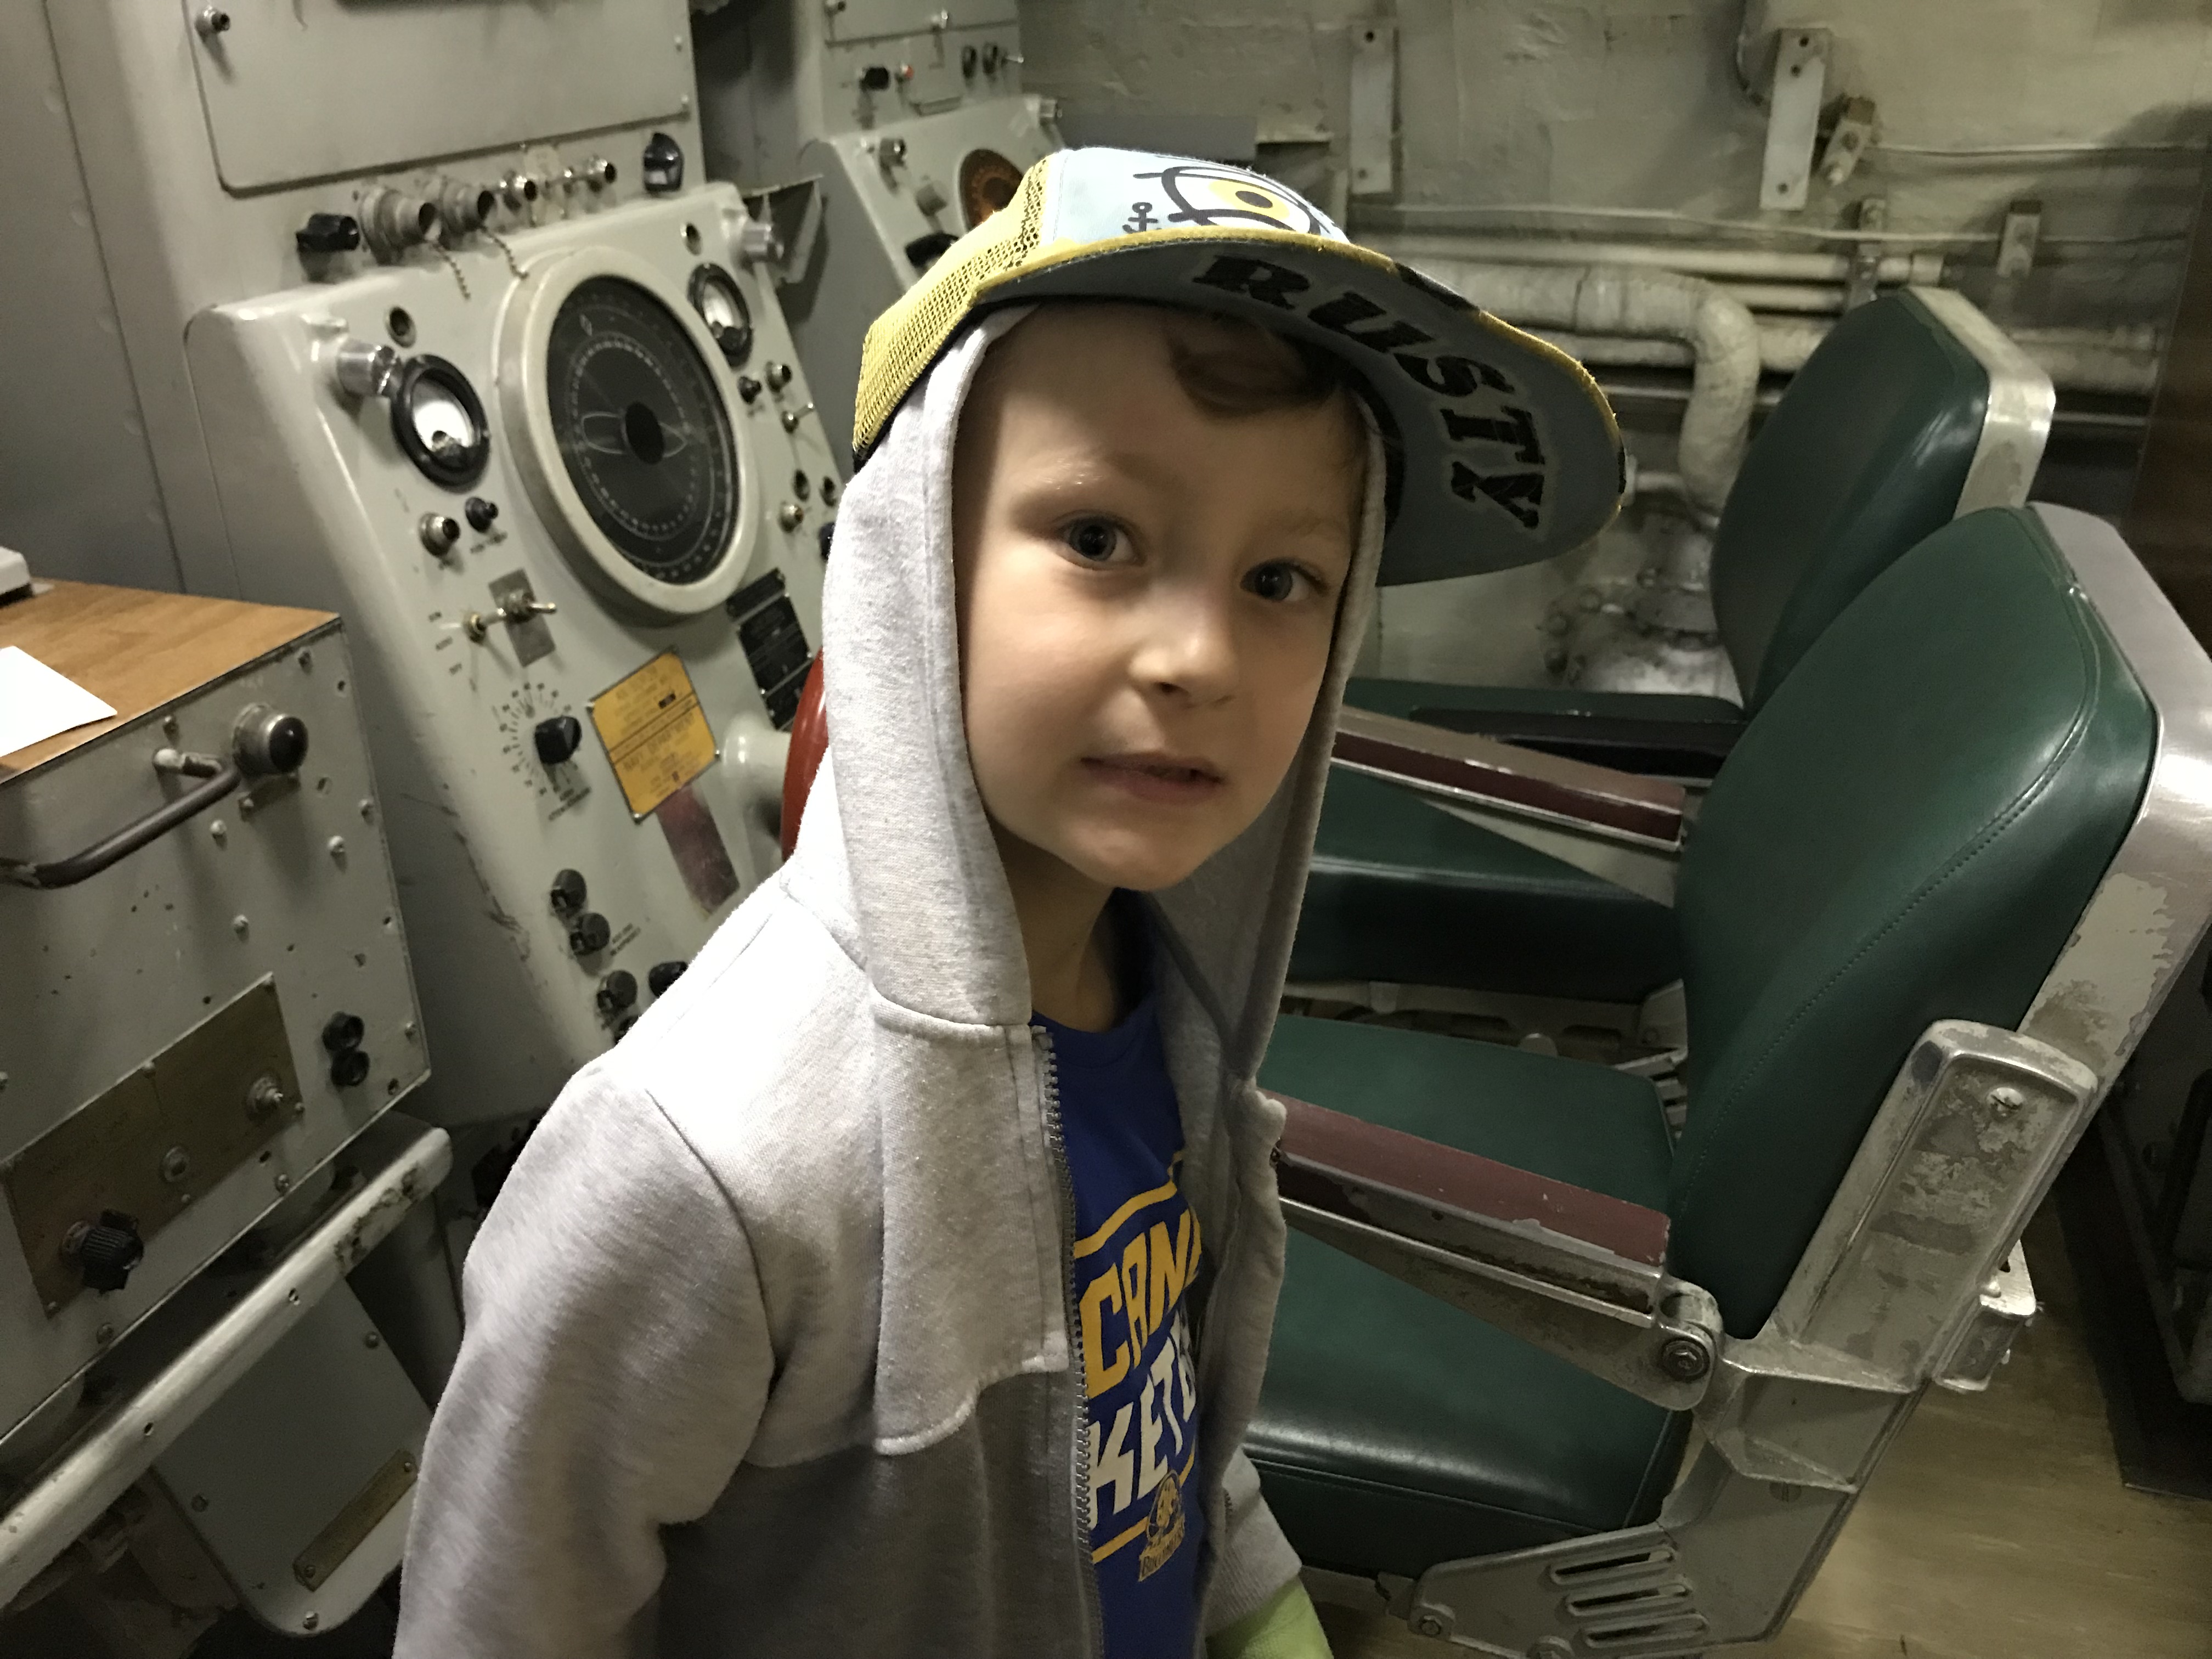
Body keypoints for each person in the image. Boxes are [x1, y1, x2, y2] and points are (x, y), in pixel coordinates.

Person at [393, 148, 1623, 1659]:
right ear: (913, 562)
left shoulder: (1156, 998)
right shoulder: (700, 1172)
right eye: (1100, 540)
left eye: (1282, 579)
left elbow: (1143, 1407)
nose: (1200, 659)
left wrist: (1255, 1601)